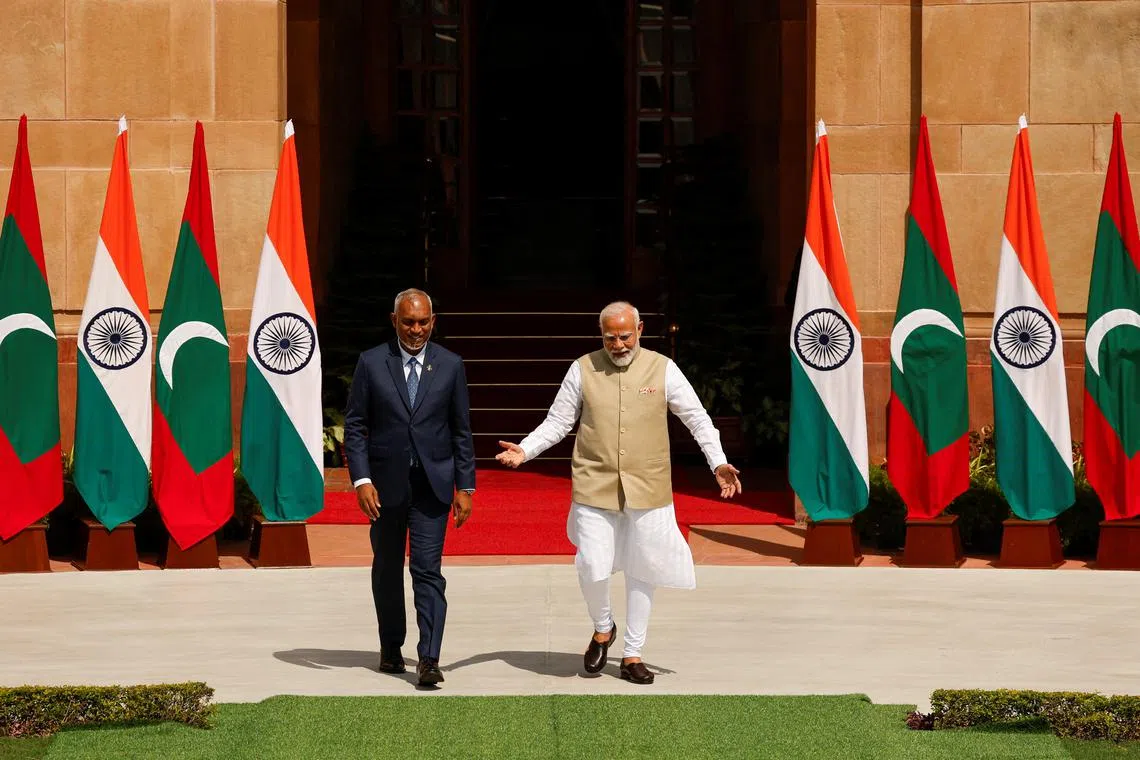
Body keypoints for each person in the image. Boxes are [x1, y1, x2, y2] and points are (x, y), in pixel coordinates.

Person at [496, 301, 741, 684]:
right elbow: (559, 421)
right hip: (594, 482)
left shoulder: (663, 368)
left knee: (644, 567)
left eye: (625, 336)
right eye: (611, 337)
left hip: (649, 483)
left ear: (640, 330)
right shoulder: (582, 368)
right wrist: (525, 450)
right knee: (592, 563)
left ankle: (632, 654)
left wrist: (718, 462)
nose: (619, 344)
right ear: (601, 335)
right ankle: (603, 626)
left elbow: (696, 418)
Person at [343, 288, 476, 686]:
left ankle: (429, 658)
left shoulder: (450, 365)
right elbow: (355, 426)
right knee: (386, 569)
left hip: (433, 487)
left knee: (427, 570)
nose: (416, 330)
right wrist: (362, 480)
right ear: (394, 320)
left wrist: (466, 486)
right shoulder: (371, 363)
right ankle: (390, 647)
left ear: (433, 322)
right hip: (383, 489)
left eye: (422, 322)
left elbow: (461, 430)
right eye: (408, 322)